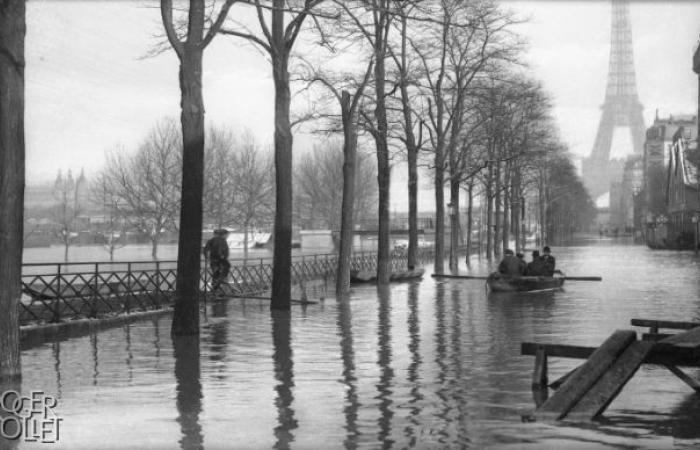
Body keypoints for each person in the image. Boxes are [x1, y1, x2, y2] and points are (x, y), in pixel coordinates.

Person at [203, 229, 231, 294]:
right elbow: (222, 250)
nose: (227, 236)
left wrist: (206, 257)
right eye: (227, 235)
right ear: (224, 235)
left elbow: (205, 250)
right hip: (220, 260)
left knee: (216, 273)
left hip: (213, 260)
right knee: (222, 272)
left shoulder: (211, 240)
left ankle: (215, 287)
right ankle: (218, 288)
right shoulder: (221, 241)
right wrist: (222, 256)